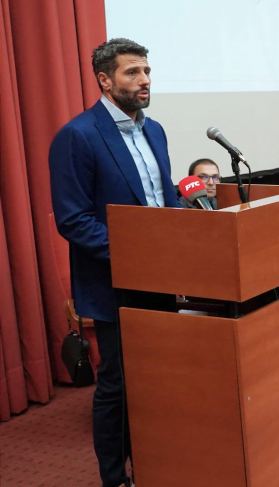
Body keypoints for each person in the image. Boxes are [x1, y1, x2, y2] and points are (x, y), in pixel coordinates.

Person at [48, 38, 180, 487]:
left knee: (160, 379)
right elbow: (74, 220)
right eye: (132, 72)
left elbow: (164, 199)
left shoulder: (155, 130)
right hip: (115, 282)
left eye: (147, 71)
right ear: (105, 80)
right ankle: (114, 478)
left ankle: (156, 461)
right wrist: (138, 255)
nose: (144, 80)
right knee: (118, 384)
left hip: (164, 278)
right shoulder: (78, 136)